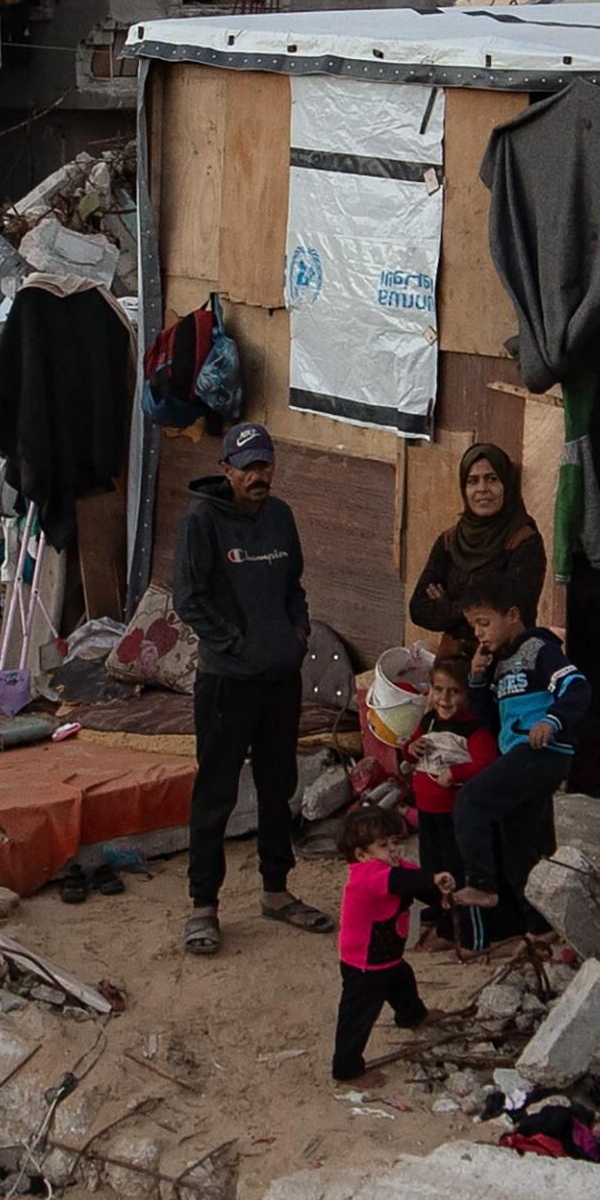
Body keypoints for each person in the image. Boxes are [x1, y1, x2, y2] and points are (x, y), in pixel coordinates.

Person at [168, 422, 327, 956]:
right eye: (248, 467)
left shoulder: (280, 517)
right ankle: (203, 907)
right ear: (226, 470)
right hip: (226, 683)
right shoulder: (202, 520)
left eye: (265, 465)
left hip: (280, 681)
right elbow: (189, 598)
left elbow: (294, 588)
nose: (258, 476)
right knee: (215, 793)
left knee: (277, 788)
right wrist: (234, 644)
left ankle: (277, 892)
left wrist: (295, 634)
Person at [443, 572, 591, 935]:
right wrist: (478, 680)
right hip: (518, 756)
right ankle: (541, 930)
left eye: (484, 623)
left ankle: (482, 884)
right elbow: (491, 720)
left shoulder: (538, 651)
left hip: (542, 751)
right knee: (521, 850)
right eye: (473, 626)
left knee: (471, 802)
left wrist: (552, 721)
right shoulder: (500, 665)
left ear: (511, 615)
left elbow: (576, 686)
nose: (479, 633)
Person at [405, 438, 545, 692]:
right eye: (473, 480)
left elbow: (515, 613)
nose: (482, 489)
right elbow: (418, 609)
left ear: (507, 485)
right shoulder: (449, 541)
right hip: (452, 673)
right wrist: (476, 612)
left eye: (492, 479)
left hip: (506, 669)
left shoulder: (524, 541)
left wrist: (449, 608)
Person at [330, 837, 430, 1083]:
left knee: (402, 981)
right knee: (358, 1017)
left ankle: (412, 1016)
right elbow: (406, 882)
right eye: (383, 845)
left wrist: (443, 892)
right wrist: (434, 880)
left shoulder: (395, 869)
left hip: (386, 958)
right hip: (364, 964)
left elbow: (415, 881)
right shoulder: (368, 875)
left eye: (393, 842)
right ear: (362, 854)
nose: (393, 848)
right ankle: (347, 1069)